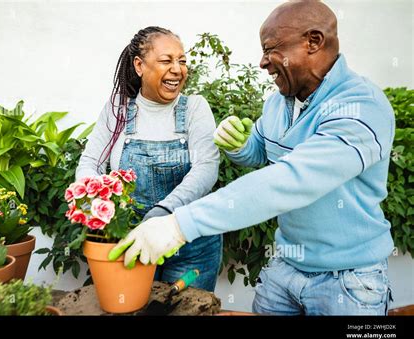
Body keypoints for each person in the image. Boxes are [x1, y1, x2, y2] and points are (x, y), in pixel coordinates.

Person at [109, 1, 396, 315]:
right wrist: (240, 146)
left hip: (347, 281)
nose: (262, 62)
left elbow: (292, 179)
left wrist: (179, 225)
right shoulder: (278, 103)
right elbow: (260, 153)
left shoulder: (360, 106)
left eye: (271, 49)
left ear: (313, 41)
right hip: (285, 269)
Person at [76, 26, 222, 291]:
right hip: (133, 240)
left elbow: (206, 167)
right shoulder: (118, 109)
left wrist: (163, 213)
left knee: (184, 307)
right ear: (140, 65)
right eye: (167, 60)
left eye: (182, 61)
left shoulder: (194, 108)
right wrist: (96, 206)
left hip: (191, 244)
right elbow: (90, 163)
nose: (178, 69)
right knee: (133, 306)